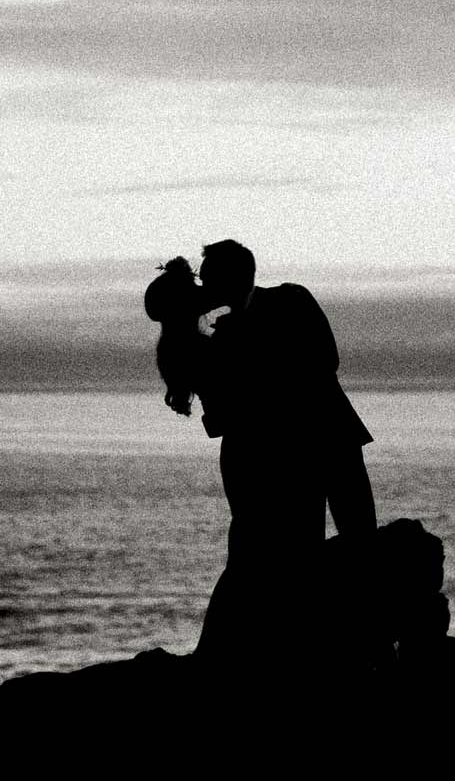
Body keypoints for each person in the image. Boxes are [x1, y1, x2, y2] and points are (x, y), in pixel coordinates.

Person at [146, 239, 376, 663]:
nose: (204, 283)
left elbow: (325, 360)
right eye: (201, 277)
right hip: (270, 458)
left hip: (329, 438)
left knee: (359, 542)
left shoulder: (290, 298)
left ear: (236, 275)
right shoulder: (217, 337)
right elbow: (225, 412)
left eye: (209, 275)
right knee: (279, 556)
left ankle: (368, 646)